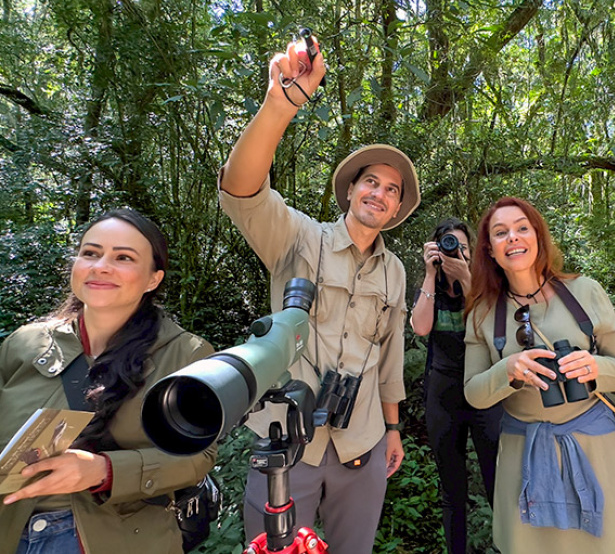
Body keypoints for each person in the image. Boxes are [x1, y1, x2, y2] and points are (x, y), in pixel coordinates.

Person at [217, 38, 419, 554]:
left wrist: (392, 430)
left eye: (391, 189)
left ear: (396, 209)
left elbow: (389, 357)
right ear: (350, 191)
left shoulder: (395, 270)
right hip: (286, 449)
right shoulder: (299, 238)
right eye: (370, 182)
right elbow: (242, 191)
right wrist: (279, 106)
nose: (379, 192)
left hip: (363, 444)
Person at [0, 209, 216, 554]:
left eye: (123, 257)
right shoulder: (23, 344)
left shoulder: (185, 354)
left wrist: (106, 470)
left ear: (153, 279)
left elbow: (199, 457)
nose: (101, 265)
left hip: (115, 536)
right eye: (90, 253)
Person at [463, 197, 615, 554]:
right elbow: (474, 394)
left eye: (522, 228)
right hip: (523, 452)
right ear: (489, 250)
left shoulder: (585, 291)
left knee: (612, 543)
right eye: (501, 232)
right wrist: (507, 371)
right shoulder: (482, 312)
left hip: (595, 447)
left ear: (538, 235)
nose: (514, 238)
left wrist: (595, 367)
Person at [410, 217, 502, 554]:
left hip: (485, 393)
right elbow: (420, 327)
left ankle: (508, 545)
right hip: (443, 394)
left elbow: (493, 330)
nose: (455, 251)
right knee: (452, 491)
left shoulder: (485, 284)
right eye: (448, 244)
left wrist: (466, 276)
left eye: (463, 246)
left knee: (498, 484)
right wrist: (431, 274)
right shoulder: (431, 286)